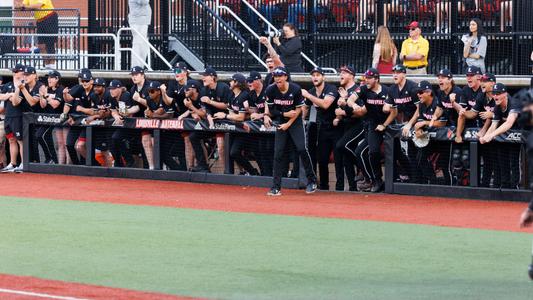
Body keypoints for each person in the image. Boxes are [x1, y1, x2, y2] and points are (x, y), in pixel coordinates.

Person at [265, 66, 317, 196]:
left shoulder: (295, 89)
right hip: (281, 121)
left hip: (295, 122)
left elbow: (299, 109)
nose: (277, 78)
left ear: (285, 77)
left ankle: (312, 181)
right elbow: (272, 110)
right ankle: (276, 187)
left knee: (301, 149)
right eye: (275, 76)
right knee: (278, 153)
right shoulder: (271, 90)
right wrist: (284, 114)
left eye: (280, 76)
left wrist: (288, 122)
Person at [350, 68, 395, 192]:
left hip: (388, 124)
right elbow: (350, 99)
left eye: (369, 78)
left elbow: (394, 112)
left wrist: (385, 125)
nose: (366, 80)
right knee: (372, 151)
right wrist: (354, 105)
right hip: (373, 125)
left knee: (397, 153)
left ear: (376, 79)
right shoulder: (364, 88)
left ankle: (401, 179)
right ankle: (376, 180)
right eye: (366, 78)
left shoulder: (387, 90)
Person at [302, 67, 342, 191]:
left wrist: (308, 95)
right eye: (313, 75)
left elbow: (325, 104)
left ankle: (340, 187)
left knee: (339, 159)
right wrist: (302, 119)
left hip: (337, 126)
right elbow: (305, 107)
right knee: (322, 159)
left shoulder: (331, 89)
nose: (315, 77)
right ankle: (324, 187)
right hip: (323, 128)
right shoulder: (311, 91)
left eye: (318, 75)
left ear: (323, 77)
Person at [403, 80, 447, 184]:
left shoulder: (437, 103)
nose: (418, 95)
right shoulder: (422, 104)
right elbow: (419, 122)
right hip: (430, 139)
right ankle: (433, 181)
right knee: (420, 158)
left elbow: (442, 123)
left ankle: (449, 185)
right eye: (417, 92)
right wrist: (418, 130)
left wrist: (424, 123)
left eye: (421, 92)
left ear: (429, 92)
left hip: (444, 140)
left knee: (446, 165)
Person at [479, 83, 522, 189]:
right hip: (506, 136)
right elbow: (494, 124)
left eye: (498, 94)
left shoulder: (514, 103)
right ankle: (505, 186)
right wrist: (485, 136)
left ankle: (516, 187)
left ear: (505, 94)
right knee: (503, 161)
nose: (495, 96)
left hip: (523, 133)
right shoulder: (497, 107)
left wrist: (491, 135)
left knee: (515, 161)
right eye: (494, 94)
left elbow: (509, 123)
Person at [216, 73, 258, 175]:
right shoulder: (231, 94)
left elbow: (241, 117)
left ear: (237, 83)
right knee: (230, 152)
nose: (229, 82)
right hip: (236, 127)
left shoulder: (244, 95)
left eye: (231, 81)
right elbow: (232, 114)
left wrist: (225, 116)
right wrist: (231, 116)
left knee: (235, 152)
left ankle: (253, 172)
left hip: (249, 129)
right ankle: (246, 172)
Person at [334, 65, 366, 191]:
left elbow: (360, 111)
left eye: (344, 72)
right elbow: (337, 110)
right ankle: (353, 188)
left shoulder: (358, 89)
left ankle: (363, 169)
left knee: (341, 145)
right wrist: (338, 117)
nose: (341, 74)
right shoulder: (341, 90)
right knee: (346, 157)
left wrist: (343, 111)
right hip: (346, 125)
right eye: (340, 72)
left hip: (359, 124)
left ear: (352, 75)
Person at [14, 0, 58, 69]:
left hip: (50, 18)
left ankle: (52, 65)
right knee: (41, 45)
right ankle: (47, 65)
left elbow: (38, 6)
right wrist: (18, 6)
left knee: (50, 43)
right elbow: (21, 7)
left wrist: (23, 6)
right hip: (39, 21)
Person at [142, 81, 175, 170]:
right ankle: (153, 167)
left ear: (159, 91)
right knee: (149, 141)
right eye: (149, 91)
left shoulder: (164, 98)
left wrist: (154, 115)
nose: (150, 93)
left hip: (171, 129)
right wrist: (150, 114)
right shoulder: (149, 100)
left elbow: (170, 115)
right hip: (156, 128)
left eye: (152, 91)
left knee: (165, 152)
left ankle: (171, 168)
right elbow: (148, 113)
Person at [0, 64, 27, 172]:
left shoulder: (23, 85)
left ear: (22, 73)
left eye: (16, 71)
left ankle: (23, 164)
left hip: (18, 116)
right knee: (11, 140)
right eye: (14, 71)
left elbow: (16, 102)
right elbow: (0, 96)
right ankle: (13, 163)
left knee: (20, 141)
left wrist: (10, 95)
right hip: (8, 117)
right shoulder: (8, 85)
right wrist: (10, 94)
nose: (14, 73)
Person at [248, 71, 274, 176]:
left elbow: (273, 111)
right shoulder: (252, 93)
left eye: (251, 81)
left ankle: (275, 174)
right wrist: (249, 110)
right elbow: (254, 109)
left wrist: (260, 115)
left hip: (272, 124)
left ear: (258, 81)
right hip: (259, 127)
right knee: (259, 149)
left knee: (270, 149)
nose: (249, 84)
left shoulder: (267, 91)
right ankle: (265, 174)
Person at [108, 79, 139, 168]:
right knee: (113, 141)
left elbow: (134, 109)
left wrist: (125, 113)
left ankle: (129, 161)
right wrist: (116, 117)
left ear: (119, 89)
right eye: (110, 89)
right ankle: (120, 163)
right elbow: (113, 111)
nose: (111, 91)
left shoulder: (125, 95)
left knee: (117, 138)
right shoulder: (112, 97)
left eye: (113, 89)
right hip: (124, 123)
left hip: (133, 124)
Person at [128, 0, 152, 68]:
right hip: (138, 21)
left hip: (142, 20)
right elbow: (144, 2)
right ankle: (136, 66)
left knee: (143, 44)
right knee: (138, 44)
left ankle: (140, 65)